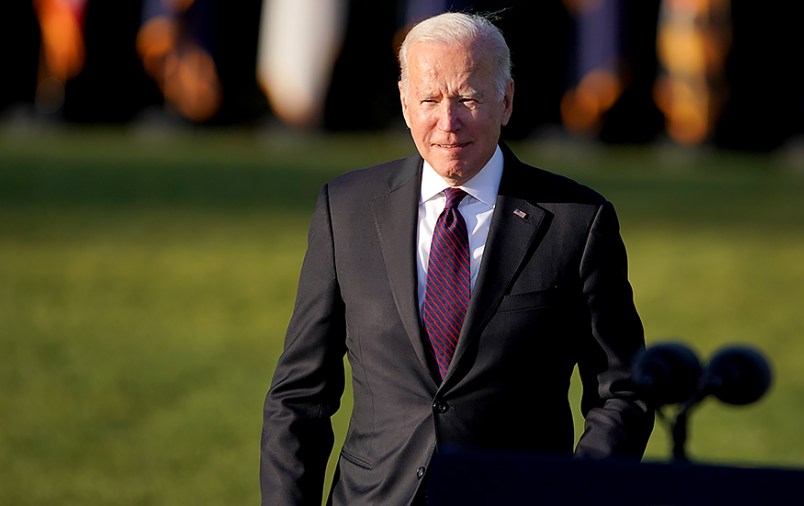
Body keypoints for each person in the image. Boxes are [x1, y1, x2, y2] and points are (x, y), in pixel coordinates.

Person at [260, 12, 654, 505]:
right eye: (429, 100)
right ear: (405, 104)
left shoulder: (577, 221)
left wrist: (573, 493)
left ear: (506, 100)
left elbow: (622, 392)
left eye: (468, 98)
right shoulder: (346, 209)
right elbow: (299, 395)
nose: (448, 123)